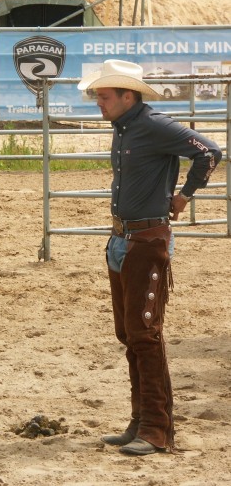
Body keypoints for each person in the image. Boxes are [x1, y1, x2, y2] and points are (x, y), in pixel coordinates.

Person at [78, 59, 222, 456]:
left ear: (128, 95)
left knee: (143, 333)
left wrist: (184, 196)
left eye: (103, 96)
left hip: (145, 239)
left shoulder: (155, 125)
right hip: (125, 239)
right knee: (131, 334)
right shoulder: (127, 126)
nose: (98, 103)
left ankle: (156, 428)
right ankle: (142, 421)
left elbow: (209, 152)